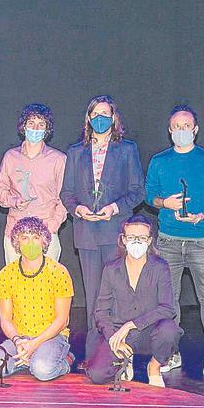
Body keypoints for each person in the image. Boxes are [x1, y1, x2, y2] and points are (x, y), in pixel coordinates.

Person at [144, 104, 204, 377]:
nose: (182, 130)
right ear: (170, 131)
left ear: (195, 129)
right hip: (168, 240)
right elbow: (149, 196)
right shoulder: (159, 161)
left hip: (202, 239)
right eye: (176, 127)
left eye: (186, 126)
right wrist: (164, 203)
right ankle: (171, 353)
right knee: (169, 301)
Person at [59, 95, 143, 364]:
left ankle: (118, 352)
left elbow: (137, 191)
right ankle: (94, 355)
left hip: (114, 230)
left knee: (118, 294)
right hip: (86, 232)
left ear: (114, 118)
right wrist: (78, 210)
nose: (100, 118)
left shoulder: (127, 150)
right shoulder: (75, 152)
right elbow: (67, 192)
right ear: (88, 118)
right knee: (94, 295)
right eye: (95, 114)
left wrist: (114, 209)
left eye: (105, 113)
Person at [87, 216, 183, 388]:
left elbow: (168, 308)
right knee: (97, 375)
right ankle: (125, 358)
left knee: (170, 330)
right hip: (120, 333)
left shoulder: (160, 267)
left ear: (149, 241)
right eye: (131, 237)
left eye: (142, 238)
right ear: (123, 240)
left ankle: (154, 367)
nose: (136, 242)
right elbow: (101, 311)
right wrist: (113, 338)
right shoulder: (111, 269)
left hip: (151, 331)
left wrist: (131, 324)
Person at [0, 217, 74, 381]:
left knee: (42, 370)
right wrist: (18, 341)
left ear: (44, 241)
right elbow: (5, 319)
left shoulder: (59, 272)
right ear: (16, 242)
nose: (30, 243)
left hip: (51, 336)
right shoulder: (6, 274)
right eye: (24, 238)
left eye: (35, 237)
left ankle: (67, 359)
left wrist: (35, 344)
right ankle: (28, 360)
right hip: (20, 338)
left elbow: (62, 320)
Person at [0, 103, 68, 263]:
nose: (35, 128)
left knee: (47, 286)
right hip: (15, 232)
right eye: (31, 123)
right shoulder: (10, 157)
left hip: (46, 232)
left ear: (47, 129)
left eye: (41, 124)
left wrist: (52, 226)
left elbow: (65, 198)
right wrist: (13, 201)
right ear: (24, 126)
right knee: (15, 284)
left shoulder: (58, 159)